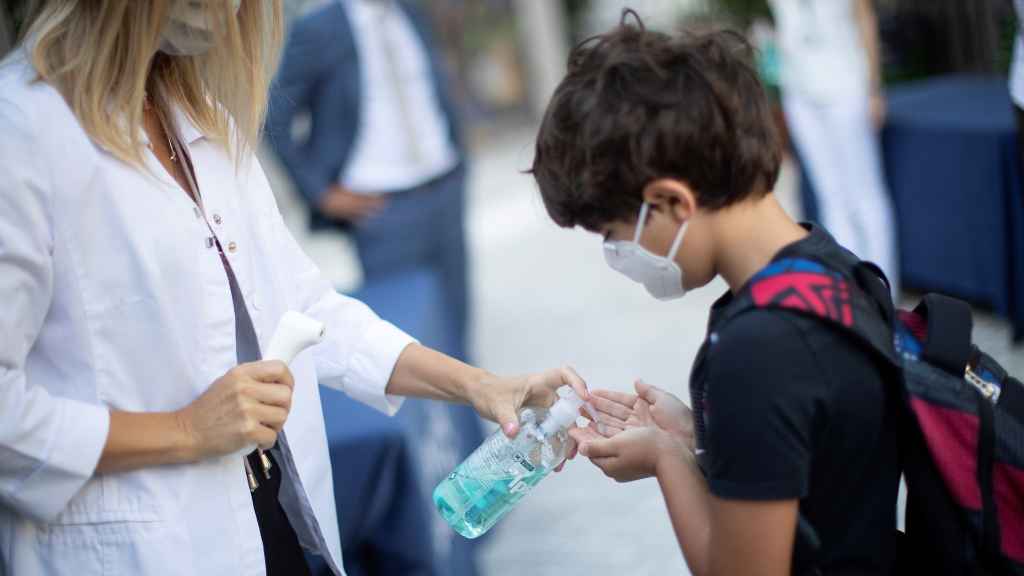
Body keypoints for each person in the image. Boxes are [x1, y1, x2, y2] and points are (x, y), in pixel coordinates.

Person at [0, 2, 587, 575]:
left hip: (267, 516)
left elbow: (307, 309)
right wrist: (183, 431)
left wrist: (481, 386)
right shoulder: (20, 133)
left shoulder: (197, 114)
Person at [531, 13, 901, 575]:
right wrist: (700, 434)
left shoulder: (757, 349)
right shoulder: (834, 268)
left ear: (673, 202)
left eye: (612, 234)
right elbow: (817, 446)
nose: (616, 255)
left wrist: (666, 459)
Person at [266, 0, 471, 362]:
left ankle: (481, 417)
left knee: (459, 331)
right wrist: (320, 194)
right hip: (382, 212)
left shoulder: (409, 11)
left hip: (444, 189)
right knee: (408, 349)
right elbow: (273, 116)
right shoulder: (320, 28)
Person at [770, 0, 899, 295]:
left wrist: (874, 87)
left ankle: (883, 294)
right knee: (831, 197)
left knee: (865, 196)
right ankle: (852, 291)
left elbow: (865, 19)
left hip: (846, 82)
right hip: (799, 89)